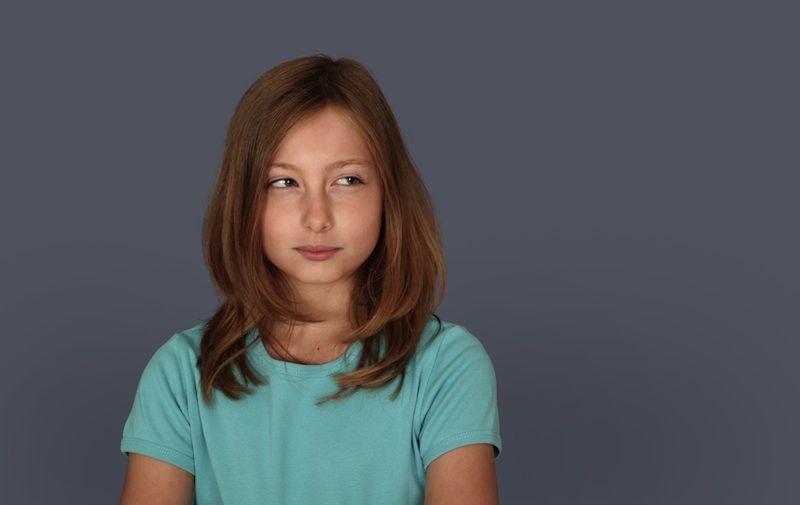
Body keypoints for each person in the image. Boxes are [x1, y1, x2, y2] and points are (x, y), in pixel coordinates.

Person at [118, 53, 502, 505]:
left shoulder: (446, 366)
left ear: (388, 195)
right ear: (243, 200)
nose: (316, 217)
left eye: (347, 180)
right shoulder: (182, 373)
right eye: (284, 183)